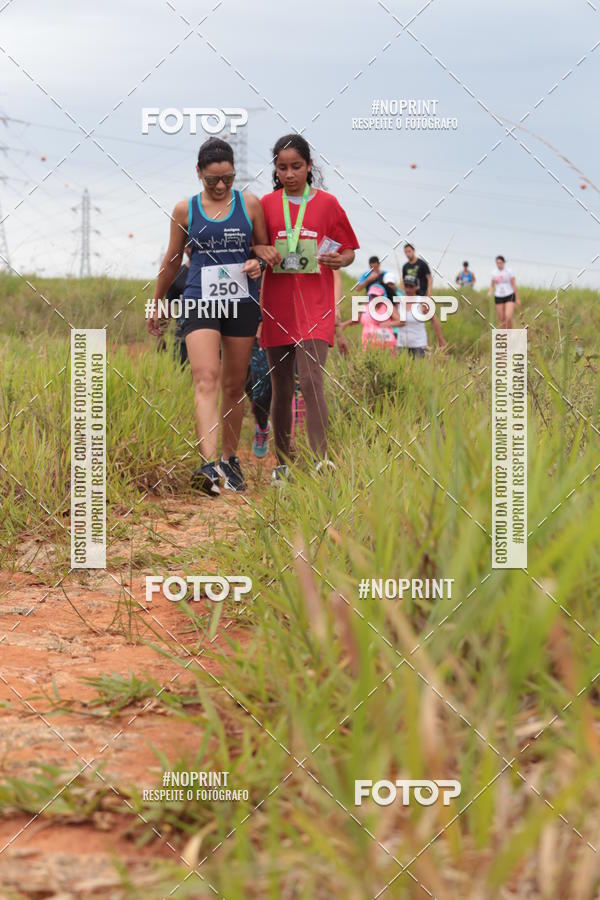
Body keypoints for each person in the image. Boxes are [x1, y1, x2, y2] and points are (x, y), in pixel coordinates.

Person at [147, 137, 269, 495]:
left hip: (241, 301)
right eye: (212, 180)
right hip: (200, 299)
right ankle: (209, 465)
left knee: (234, 385)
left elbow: (264, 248)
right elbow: (171, 260)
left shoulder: (249, 204)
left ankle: (231, 460)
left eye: (227, 179)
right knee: (205, 379)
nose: (220, 186)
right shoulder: (186, 210)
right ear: (198, 173)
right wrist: (157, 301)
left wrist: (259, 261)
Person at [253, 133, 359, 483]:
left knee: (312, 381)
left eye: (296, 166)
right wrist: (262, 251)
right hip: (277, 306)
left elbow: (349, 251)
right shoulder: (266, 205)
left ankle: (322, 462)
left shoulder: (328, 204)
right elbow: (255, 248)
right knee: (281, 388)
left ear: (310, 166)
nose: (290, 174)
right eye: (282, 167)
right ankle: (282, 465)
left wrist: (337, 260)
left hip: (315, 306)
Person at [402, 243, 447, 348]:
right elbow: (404, 282)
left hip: (422, 295)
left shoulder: (422, 264)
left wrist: (428, 295)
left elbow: (429, 279)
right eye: (405, 252)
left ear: (413, 251)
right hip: (411, 297)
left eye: (409, 251)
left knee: (431, 316)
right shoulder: (405, 266)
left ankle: (441, 340)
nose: (407, 254)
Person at [396, 273, 446, 357]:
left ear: (417, 287)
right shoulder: (399, 302)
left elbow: (434, 321)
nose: (408, 289)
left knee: (418, 369)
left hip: (418, 345)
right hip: (401, 345)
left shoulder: (422, 302)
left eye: (411, 286)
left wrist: (440, 339)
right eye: (406, 286)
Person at [340, 283, 400, 350]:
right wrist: (344, 324)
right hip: (368, 345)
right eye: (372, 295)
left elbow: (400, 321)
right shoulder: (365, 306)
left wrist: (387, 324)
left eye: (376, 296)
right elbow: (357, 319)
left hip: (386, 346)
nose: (374, 298)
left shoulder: (388, 307)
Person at [489, 255, 519, 328]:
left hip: (509, 295)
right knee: (502, 319)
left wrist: (517, 298)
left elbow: (513, 284)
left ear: (503, 262)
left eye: (500, 262)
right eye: (497, 263)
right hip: (498, 296)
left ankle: (510, 334)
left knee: (508, 317)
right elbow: (492, 285)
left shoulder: (509, 271)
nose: (499, 264)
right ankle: (504, 336)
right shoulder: (494, 273)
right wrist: (490, 291)